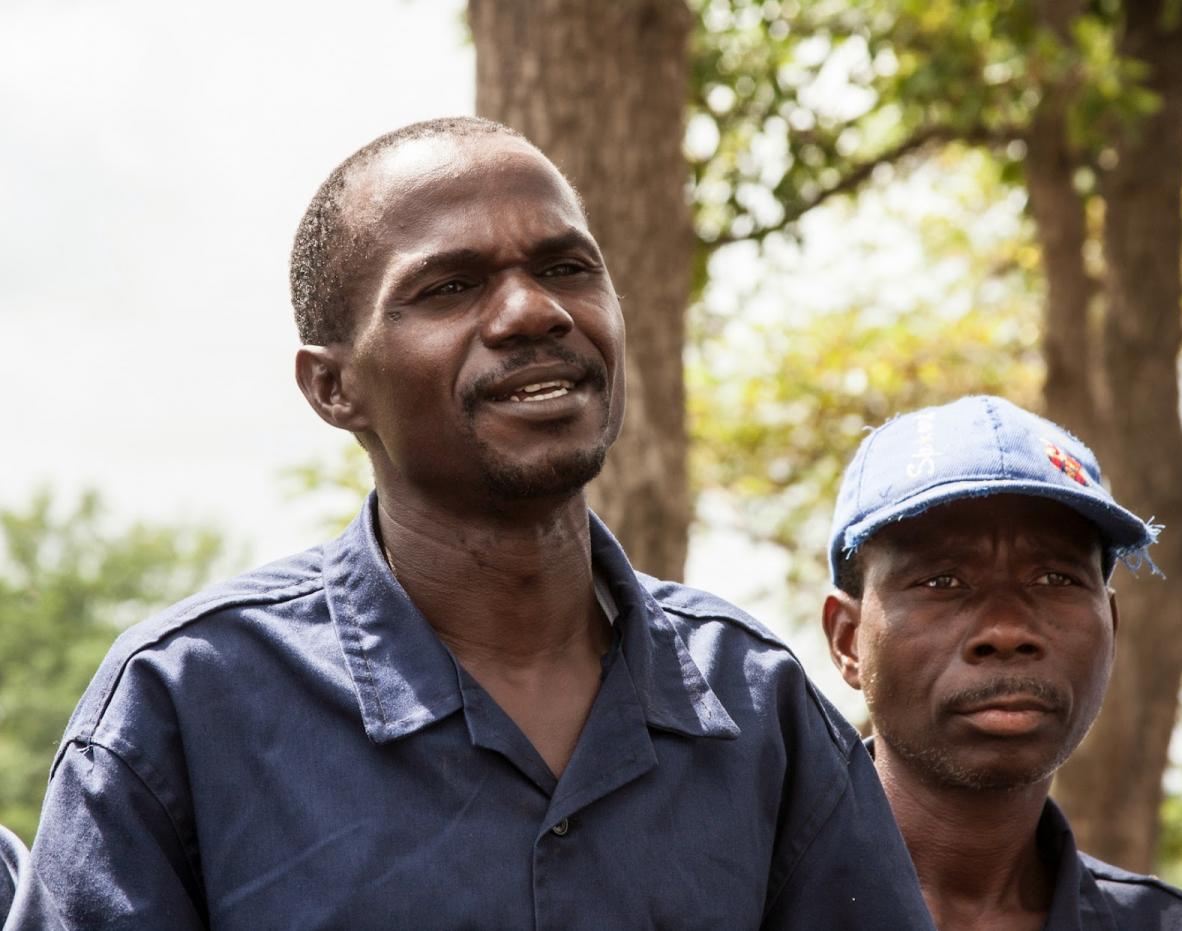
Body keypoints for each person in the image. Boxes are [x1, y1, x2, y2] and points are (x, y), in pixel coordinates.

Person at [30, 117, 933, 929]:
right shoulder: (184, 706)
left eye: (566, 268)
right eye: (450, 287)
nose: (533, 311)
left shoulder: (755, 705)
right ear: (333, 387)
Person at [821, 394, 1182, 930]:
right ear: (847, 639)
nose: (1006, 631)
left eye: (1055, 579)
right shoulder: (728, 904)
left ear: (1111, 629)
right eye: (942, 581)